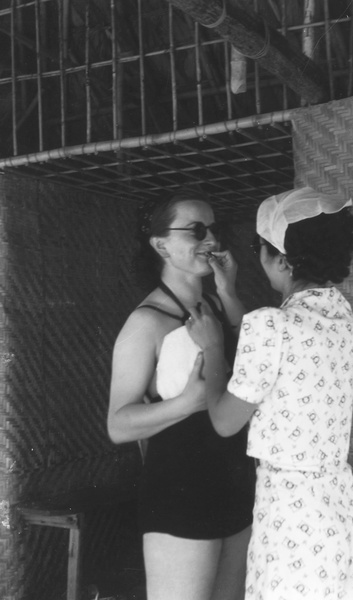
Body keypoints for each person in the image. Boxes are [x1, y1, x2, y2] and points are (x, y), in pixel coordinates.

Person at [186, 187, 353, 600]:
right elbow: (278, 355)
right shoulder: (337, 312)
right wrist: (229, 293)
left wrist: (212, 347)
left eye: (261, 248)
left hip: (293, 516)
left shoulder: (270, 326)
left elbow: (226, 421)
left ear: (282, 259)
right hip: (340, 507)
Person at [107, 188, 255, 600]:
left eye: (214, 229)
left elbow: (254, 365)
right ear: (161, 245)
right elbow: (118, 425)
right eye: (196, 231)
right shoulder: (146, 323)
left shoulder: (217, 305)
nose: (211, 240)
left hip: (234, 482)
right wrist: (186, 404)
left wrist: (229, 293)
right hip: (180, 492)